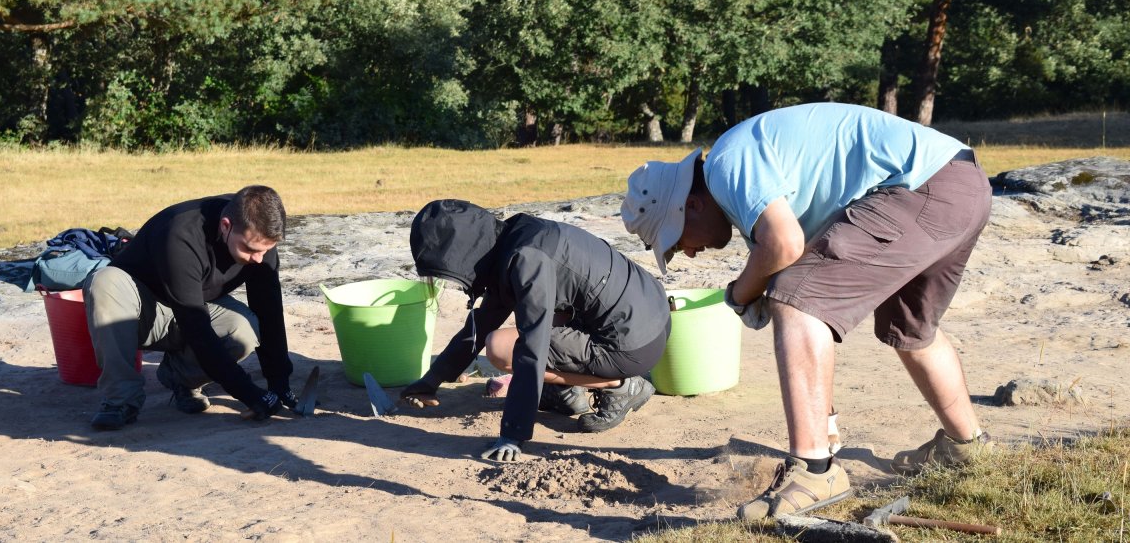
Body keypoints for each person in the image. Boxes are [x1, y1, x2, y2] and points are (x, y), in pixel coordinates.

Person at [621, 102, 992, 521]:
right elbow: (795, 261)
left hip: (923, 187)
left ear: (691, 205)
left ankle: (815, 472)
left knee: (791, 296)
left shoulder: (726, 164)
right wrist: (827, 426)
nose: (687, 252)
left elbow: (783, 248)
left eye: (676, 241)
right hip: (961, 184)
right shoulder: (754, 186)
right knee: (911, 327)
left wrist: (739, 296)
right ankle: (966, 447)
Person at [400, 199, 671, 462]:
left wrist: (512, 434)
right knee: (515, 331)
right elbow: (483, 321)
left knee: (502, 348)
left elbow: (533, 346)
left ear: (459, 253)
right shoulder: (511, 239)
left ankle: (623, 386)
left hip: (633, 343)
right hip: (648, 318)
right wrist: (431, 381)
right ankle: (567, 391)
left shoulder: (525, 259)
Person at [84, 185, 296, 430]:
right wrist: (249, 393)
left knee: (243, 329)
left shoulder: (257, 235)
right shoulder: (181, 234)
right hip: (141, 312)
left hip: (194, 305)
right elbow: (197, 328)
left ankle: (180, 378)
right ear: (226, 226)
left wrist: (279, 382)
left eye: (265, 251)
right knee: (104, 281)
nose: (258, 259)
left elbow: (268, 310)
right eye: (249, 250)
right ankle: (120, 401)